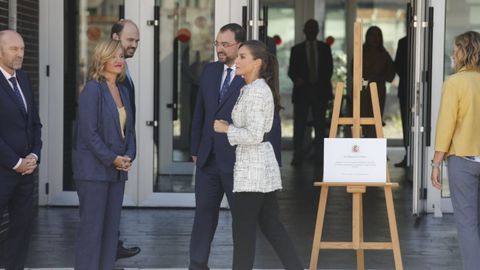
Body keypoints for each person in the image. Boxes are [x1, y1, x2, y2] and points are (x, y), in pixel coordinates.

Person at [189, 23, 281, 270]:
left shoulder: (252, 78)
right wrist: (195, 149)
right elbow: (199, 112)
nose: (219, 49)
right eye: (217, 44)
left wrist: (274, 163)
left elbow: (269, 125)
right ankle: (197, 265)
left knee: (243, 224)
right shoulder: (209, 71)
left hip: (239, 162)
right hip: (208, 159)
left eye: (225, 44)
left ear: (240, 46)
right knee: (203, 217)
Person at [213, 40, 303, 270]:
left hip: (252, 173)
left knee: (243, 233)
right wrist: (231, 125)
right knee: (271, 226)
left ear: (257, 63)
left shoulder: (255, 91)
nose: (237, 60)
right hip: (260, 169)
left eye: (243, 57)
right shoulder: (253, 88)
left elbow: (254, 134)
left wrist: (226, 129)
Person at [73, 40, 136, 270]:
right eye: (113, 56)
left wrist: (129, 155)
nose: (119, 60)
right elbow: (89, 134)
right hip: (94, 174)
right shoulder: (92, 89)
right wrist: (113, 158)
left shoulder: (123, 91)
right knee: (92, 232)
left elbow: (129, 130)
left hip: (117, 173)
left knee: (110, 233)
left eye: (121, 56)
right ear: (101, 60)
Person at [431, 31, 480, 270]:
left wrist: (436, 163)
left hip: (463, 159)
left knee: (468, 223)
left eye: (455, 48)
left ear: (464, 52)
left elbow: (446, 125)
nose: (452, 53)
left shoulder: (454, 83)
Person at [0, 30, 42, 270]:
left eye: (23, 49)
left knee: (22, 232)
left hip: (26, 175)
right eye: (14, 49)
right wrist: (16, 162)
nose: (20, 54)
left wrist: (34, 155)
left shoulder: (23, 79)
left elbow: (34, 123)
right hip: (3, 171)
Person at [110, 19, 142, 259]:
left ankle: (113, 244)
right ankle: (109, 248)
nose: (134, 45)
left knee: (113, 205)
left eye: (137, 41)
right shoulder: (108, 72)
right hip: (109, 153)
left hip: (120, 151)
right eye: (130, 40)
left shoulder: (125, 69)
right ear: (115, 38)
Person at [288, 19, 333, 166]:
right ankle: (298, 155)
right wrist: (297, 79)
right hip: (302, 92)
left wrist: (320, 84)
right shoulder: (296, 49)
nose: (312, 31)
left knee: (320, 126)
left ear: (318, 30)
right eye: (309, 28)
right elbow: (291, 71)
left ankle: (320, 156)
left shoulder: (325, 48)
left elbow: (329, 69)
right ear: (304, 30)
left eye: (314, 28)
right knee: (299, 126)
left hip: (320, 92)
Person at [361, 26, 395, 138]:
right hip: (363, 92)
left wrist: (378, 77)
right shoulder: (361, 53)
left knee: (376, 119)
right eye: (372, 35)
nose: (375, 38)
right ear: (367, 37)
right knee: (362, 119)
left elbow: (391, 75)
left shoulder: (384, 54)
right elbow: (354, 71)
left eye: (377, 35)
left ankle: (374, 147)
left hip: (379, 91)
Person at [394, 36, 408, 167]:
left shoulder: (429, 37)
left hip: (426, 90)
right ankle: (408, 155)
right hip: (405, 89)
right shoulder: (403, 42)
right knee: (406, 123)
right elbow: (397, 65)